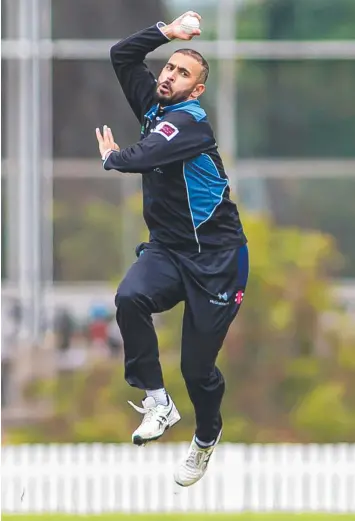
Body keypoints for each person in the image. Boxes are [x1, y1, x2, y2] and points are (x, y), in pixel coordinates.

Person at [95, 11, 249, 487]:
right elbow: (122, 54)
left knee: (197, 368)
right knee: (129, 299)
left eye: (183, 73)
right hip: (167, 250)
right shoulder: (154, 106)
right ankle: (158, 402)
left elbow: (144, 156)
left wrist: (113, 157)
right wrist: (167, 32)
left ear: (197, 90)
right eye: (169, 66)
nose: (168, 75)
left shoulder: (191, 124)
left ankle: (206, 438)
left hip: (218, 261)